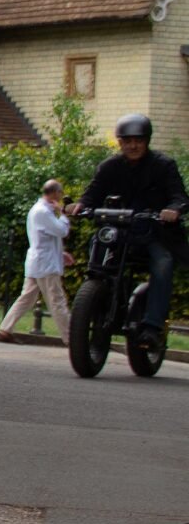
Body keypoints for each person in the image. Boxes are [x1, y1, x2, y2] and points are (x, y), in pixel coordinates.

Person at [65, 113, 189, 349]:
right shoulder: (109, 167)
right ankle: (99, 293)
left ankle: (152, 327)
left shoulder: (163, 165)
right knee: (98, 244)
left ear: (147, 141)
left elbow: (179, 197)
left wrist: (173, 209)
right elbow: (92, 194)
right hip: (119, 231)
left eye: (138, 140)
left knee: (163, 263)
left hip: (154, 232)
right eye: (127, 140)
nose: (133, 145)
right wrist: (80, 205)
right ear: (120, 142)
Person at [0, 179, 73, 344]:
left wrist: (60, 253)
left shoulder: (41, 210)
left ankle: (5, 329)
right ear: (54, 193)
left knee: (27, 298)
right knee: (57, 300)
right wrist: (64, 215)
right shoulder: (42, 211)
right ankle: (71, 339)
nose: (61, 196)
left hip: (39, 261)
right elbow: (61, 231)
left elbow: (46, 237)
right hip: (45, 265)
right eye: (60, 193)